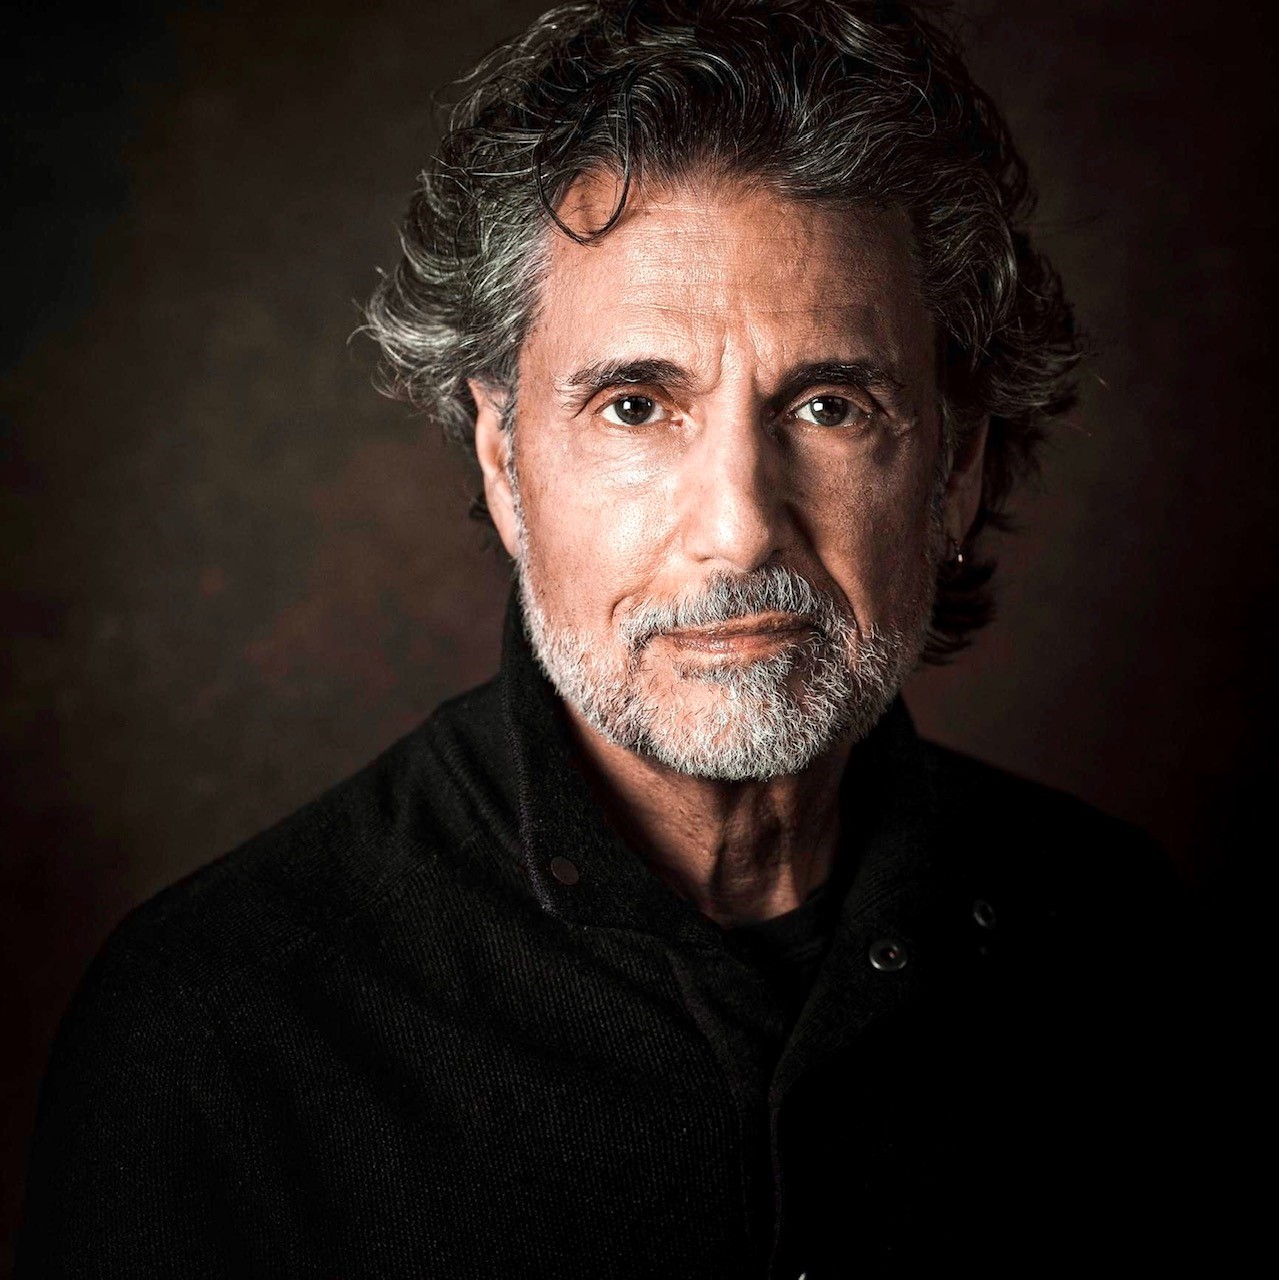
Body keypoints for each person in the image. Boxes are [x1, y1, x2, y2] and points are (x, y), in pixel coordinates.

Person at [18, 1, 1213, 1274]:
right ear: (504, 461)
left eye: (828, 405)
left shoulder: (1118, 941)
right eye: (636, 406)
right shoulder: (216, 1029)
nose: (738, 531)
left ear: (955, 471)